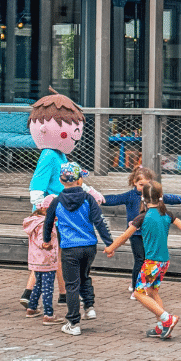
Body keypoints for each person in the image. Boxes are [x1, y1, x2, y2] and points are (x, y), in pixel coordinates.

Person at [21, 88, 104, 308]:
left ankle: (38, 293)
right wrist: (39, 209)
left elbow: (72, 178)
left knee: (53, 254)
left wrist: (90, 191)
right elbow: (37, 184)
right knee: (54, 253)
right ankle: (48, 293)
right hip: (51, 211)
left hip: (61, 208)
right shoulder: (48, 154)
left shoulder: (60, 154)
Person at [105, 181, 181, 340]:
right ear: (160, 196)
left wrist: (110, 248)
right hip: (164, 262)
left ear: (143, 198)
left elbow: (124, 236)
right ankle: (162, 327)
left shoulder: (142, 217)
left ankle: (167, 319)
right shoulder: (167, 214)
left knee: (139, 292)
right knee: (152, 292)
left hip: (151, 263)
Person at [42, 162, 113, 336]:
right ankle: (89, 307)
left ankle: (73, 323)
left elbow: (48, 222)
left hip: (69, 248)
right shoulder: (88, 199)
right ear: (80, 180)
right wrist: (109, 243)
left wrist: (46, 241)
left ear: (61, 180)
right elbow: (99, 221)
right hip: (89, 246)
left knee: (72, 284)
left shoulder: (56, 201)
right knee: (84, 276)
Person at [102, 166, 181, 300]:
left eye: (146, 185)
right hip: (135, 234)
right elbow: (114, 199)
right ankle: (135, 288)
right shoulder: (130, 196)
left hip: (149, 235)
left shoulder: (152, 196)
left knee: (148, 260)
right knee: (140, 260)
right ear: (134, 182)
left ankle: (142, 284)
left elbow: (169, 198)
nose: (143, 188)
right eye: (141, 185)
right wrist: (98, 199)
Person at [23, 195, 65, 326]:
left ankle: (32, 307)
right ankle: (48, 314)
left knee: (39, 284)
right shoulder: (45, 223)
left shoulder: (34, 221)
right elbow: (42, 238)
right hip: (47, 260)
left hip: (36, 260)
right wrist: (45, 244)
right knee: (48, 288)